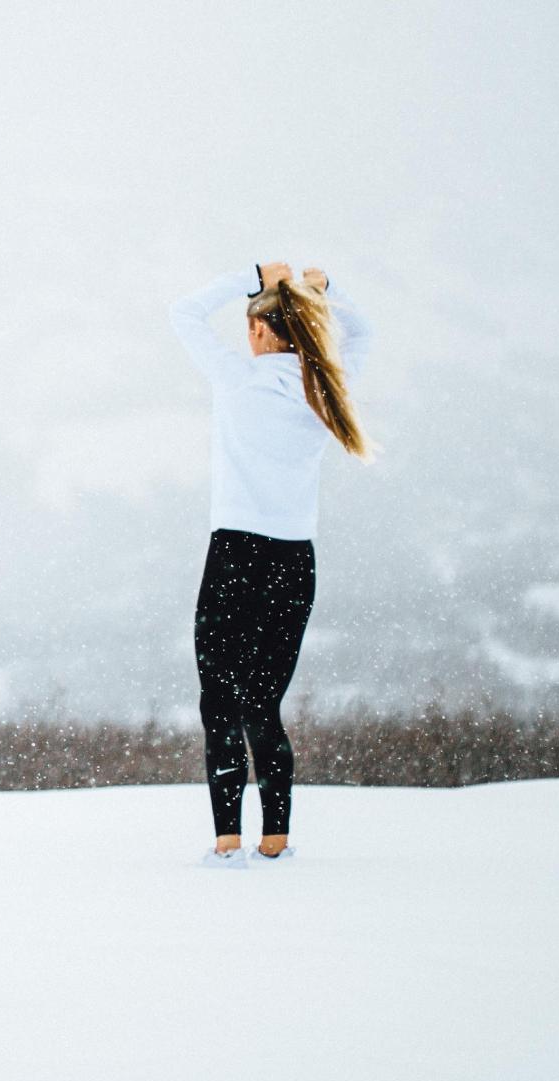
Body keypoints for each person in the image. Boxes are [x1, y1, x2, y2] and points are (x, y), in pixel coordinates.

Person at [169, 261, 374, 866]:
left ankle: (228, 839)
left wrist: (251, 274)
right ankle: (276, 838)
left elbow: (182, 313)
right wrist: (325, 288)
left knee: (220, 702)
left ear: (260, 334)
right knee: (263, 704)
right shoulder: (323, 387)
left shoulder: (237, 380)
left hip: (234, 555)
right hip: (293, 561)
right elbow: (364, 334)